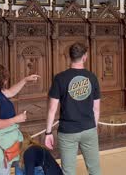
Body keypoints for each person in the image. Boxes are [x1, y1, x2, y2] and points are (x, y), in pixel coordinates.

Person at [44, 43, 101, 175]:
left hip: (68, 131)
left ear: (69, 57)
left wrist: (48, 133)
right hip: (88, 128)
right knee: (95, 170)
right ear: (85, 57)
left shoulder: (60, 78)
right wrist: (93, 126)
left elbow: (52, 109)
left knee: (68, 171)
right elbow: (96, 109)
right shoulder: (92, 78)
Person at [0, 64, 39, 175]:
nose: (6, 82)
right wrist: (16, 119)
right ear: (0, 80)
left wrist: (25, 80)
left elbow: (11, 92)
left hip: (7, 139)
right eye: (5, 79)